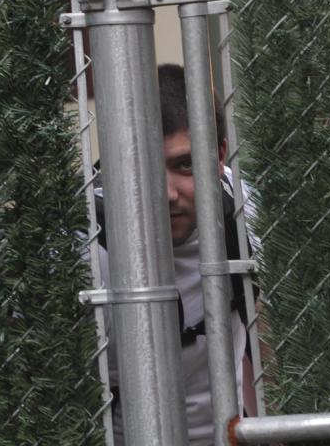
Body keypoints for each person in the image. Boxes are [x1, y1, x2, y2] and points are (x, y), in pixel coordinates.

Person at [91, 63, 257, 445]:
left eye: (185, 164)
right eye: (143, 168)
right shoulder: (82, 245)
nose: (166, 194)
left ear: (219, 155)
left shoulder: (246, 215)